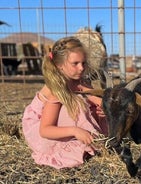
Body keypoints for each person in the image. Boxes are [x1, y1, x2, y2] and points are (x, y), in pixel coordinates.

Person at [22, 36, 108, 169]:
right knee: (78, 104)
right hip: (41, 126)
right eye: (75, 63)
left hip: (57, 121)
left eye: (83, 63)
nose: (81, 68)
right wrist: (75, 131)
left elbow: (100, 101)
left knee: (87, 103)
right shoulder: (55, 89)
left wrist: (102, 110)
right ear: (60, 65)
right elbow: (45, 130)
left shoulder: (80, 81)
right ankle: (74, 142)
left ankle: (91, 136)